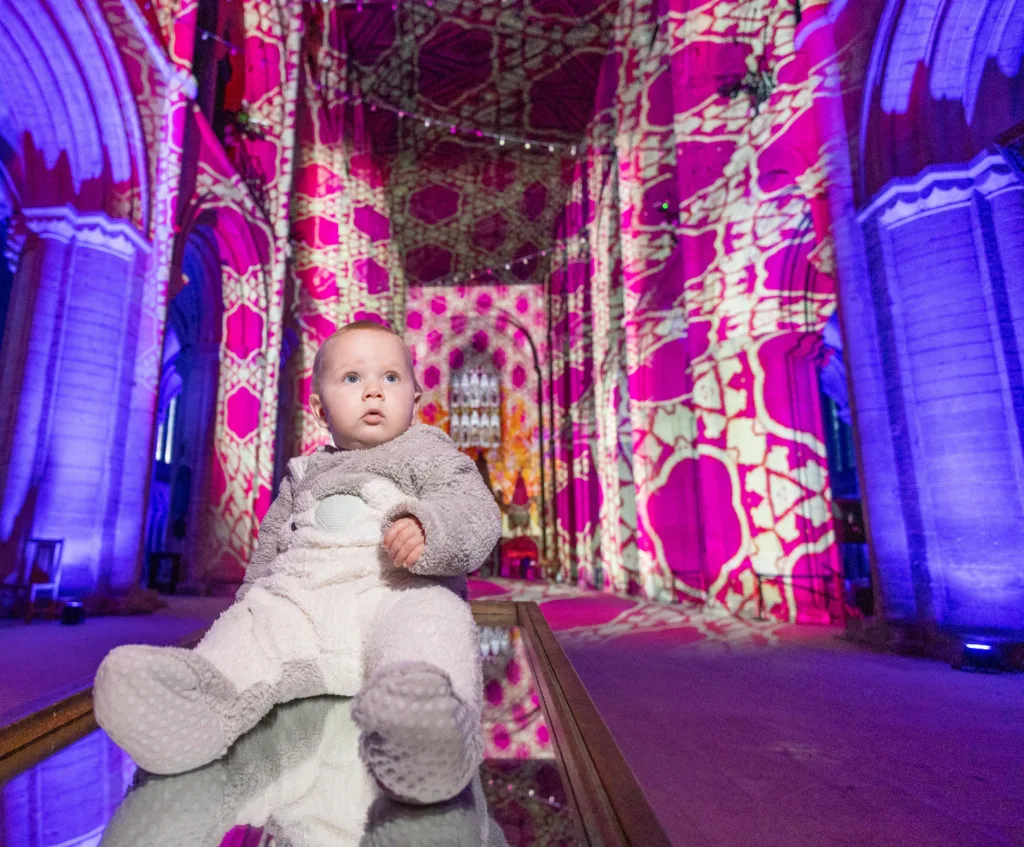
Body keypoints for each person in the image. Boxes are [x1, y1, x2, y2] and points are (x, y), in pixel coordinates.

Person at [93, 320, 502, 805]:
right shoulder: (303, 472)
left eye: (392, 377)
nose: (374, 390)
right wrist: (249, 605)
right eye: (352, 378)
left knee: (434, 621)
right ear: (318, 405)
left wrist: (430, 529)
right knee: (252, 629)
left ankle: (425, 733)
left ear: (415, 397)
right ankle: (197, 708)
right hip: (302, 606)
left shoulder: (428, 452)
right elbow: (270, 548)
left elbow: (474, 510)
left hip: (392, 594)